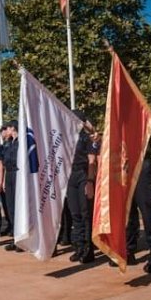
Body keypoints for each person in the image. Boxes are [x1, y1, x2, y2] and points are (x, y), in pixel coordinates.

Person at [66, 110, 99, 263]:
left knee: (86, 213)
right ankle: (79, 247)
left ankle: (88, 248)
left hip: (84, 174)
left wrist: (90, 181)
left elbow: (92, 161)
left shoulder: (87, 138)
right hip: (71, 176)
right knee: (75, 213)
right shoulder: (67, 138)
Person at [2, 121, 21, 251]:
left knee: (19, 208)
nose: (5, 131)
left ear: (13, 128)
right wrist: (3, 180)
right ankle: (15, 239)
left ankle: (21, 240)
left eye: (7, 128)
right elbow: (4, 164)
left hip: (18, 174)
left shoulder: (22, 142)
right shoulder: (9, 143)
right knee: (11, 208)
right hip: (9, 175)